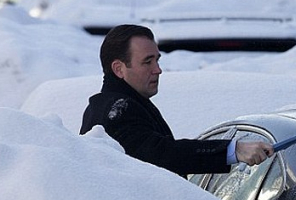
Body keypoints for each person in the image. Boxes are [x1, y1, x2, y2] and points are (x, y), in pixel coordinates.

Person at [81, 24, 273, 177]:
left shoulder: (116, 104)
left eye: (157, 60)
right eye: (147, 62)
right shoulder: (118, 110)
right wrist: (233, 150)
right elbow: (161, 154)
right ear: (119, 69)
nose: (158, 70)